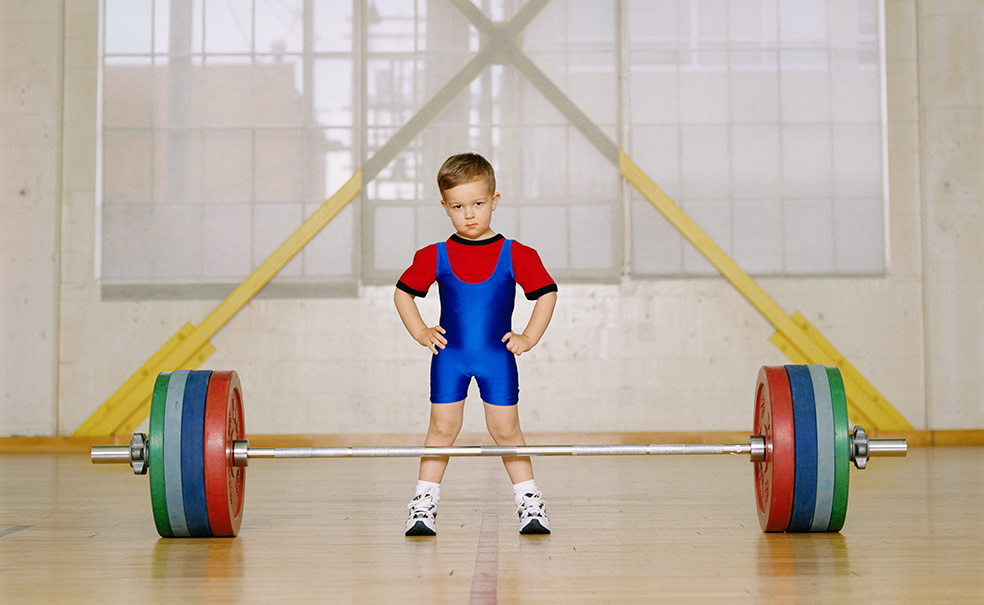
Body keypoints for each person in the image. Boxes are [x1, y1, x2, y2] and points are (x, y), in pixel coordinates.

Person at [394, 153, 558, 536]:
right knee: (440, 430)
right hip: (450, 358)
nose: (469, 214)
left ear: (495, 201)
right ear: (445, 207)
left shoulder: (517, 253)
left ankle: (530, 504)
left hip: (496, 359)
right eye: (458, 206)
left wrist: (529, 336)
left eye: (478, 204)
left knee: (506, 431)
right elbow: (403, 294)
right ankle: (423, 506)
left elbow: (546, 294)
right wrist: (420, 331)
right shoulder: (435, 255)